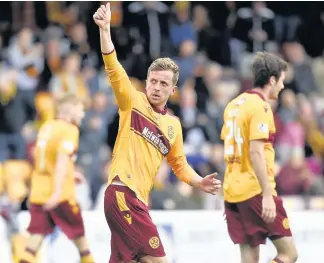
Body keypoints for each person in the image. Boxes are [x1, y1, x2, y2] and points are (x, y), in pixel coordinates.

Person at [93, 3, 222, 263]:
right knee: (158, 260)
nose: (156, 87)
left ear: (172, 90)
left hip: (138, 199)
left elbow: (179, 164)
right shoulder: (133, 102)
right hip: (122, 193)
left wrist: (198, 182)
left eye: (164, 83)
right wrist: (105, 30)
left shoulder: (173, 126)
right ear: (147, 80)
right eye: (153, 80)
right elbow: (112, 66)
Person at [221, 52, 298, 263]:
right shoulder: (261, 107)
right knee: (289, 254)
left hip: (233, 192)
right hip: (255, 190)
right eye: (281, 81)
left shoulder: (233, 105)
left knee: (249, 258)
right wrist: (266, 194)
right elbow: (256, 151)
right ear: (272, 80)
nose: (282, 87)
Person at [19, 93, 95, 263]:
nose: (82, 115)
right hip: (60, 194)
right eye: (80, 110)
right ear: (71, 110)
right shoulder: (69, 130)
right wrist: (57, 192)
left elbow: (44, 159)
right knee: (81, 238)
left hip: (39, 191)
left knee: (35, 239)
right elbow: (61, 161)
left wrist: (70, 173)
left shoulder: (47, 127)